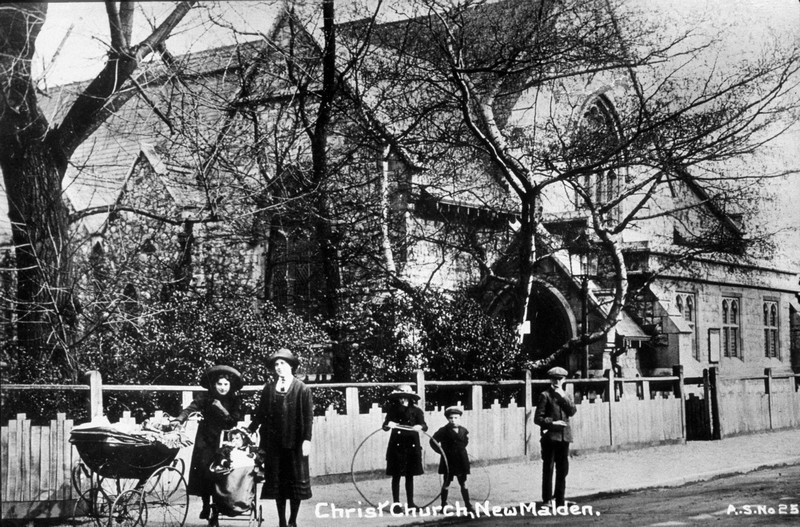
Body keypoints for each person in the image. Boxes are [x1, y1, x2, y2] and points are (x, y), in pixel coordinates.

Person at [249, 349, 313, 527]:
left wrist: (307, 440)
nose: (279, 367)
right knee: (278, 485)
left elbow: (308, 417)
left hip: (295, 444)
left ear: (291, 366)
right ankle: (282, 521)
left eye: (282, 363)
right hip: (273, 445)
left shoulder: (302, 389)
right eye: (276, 364)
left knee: (294, 485)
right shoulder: (269, 389)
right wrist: (248, 430)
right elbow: (260, 414)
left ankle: (293, 520)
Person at [173, 365, 244, 520]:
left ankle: (217, 510)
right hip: (205, 438)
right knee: (205, 472)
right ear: (214, 385)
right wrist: (180, 418)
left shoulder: (235, 400)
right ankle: (206, 505)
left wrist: (220, 408)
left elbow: (232, 422)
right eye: (220, 384)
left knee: (220, 474)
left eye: (226, 384)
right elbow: (191, 408)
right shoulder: (206, 397)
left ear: (230, 385)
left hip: (224, 439)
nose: (223, 387)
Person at [534, 366, 577, 508]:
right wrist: (552, 422)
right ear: (550, 380)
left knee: (563, 469)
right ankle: (547, 500)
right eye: (554, 379)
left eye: (560, 379)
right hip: (550, 437)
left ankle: (560, 500)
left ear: (564, 380)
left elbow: (572, 412)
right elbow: (538, 418)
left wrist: (562, 396)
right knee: (549, 468)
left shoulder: (566, 395)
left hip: (564, 437)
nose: (557, 381)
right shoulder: (545, 395)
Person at [383, 384, 427, 512]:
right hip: (396, 446)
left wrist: (420, 427)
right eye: (400, 397)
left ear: (410, 397)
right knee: (396, 476)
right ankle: (396, 504)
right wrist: (388, 424)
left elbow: (425, 426)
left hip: (411, 445)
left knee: (409, 475)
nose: (402, 400)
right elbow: (385, 426)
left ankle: (411, 503)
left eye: (404, 397)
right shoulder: (392, 410)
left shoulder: (417, 411)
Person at [430, 406, 474, 513]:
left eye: (456, 417)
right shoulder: (443, 431)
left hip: (461, 460)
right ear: (447, 419)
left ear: (459, 418)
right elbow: (433, 442)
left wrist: (461, 449)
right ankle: (443, 505)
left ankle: (468, 505)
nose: (453, 420)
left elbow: (465, 441)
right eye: (451, 418)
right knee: (446, 483)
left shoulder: (463, 430)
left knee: (463, 483)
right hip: (448, 461)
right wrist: (442, 452)